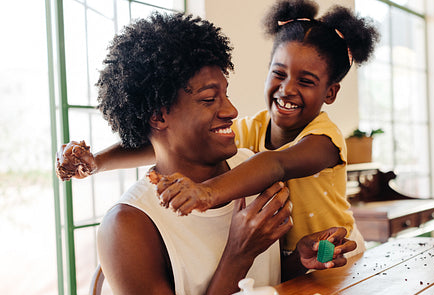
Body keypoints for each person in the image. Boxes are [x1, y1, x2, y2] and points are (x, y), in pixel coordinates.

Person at [89, 11, 356, 295]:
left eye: (226, 94)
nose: (231, 111)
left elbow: (266, 282)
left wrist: (298, 260)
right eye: (208, 99)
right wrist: (237, 255)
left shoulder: (250, 166)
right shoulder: (128, 225)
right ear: (159, 117)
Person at [57, 0, 379, 253]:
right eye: (279, 73)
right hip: (293, 263)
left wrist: (206, 193)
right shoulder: (255, 127)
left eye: (306, 81)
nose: (287, 89)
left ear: (330, 92)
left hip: (336, 256)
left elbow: (276, 163)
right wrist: (98, 162)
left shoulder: (325, 139)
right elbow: (162, 140)